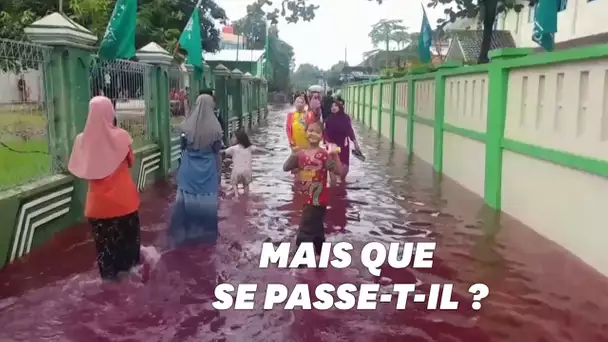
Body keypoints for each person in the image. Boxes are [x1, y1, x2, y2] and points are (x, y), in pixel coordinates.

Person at [68, 96, 140, 281]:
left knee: (105, 258)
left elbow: (80, 167)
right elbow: (131, 161)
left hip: (97, 208)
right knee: (130, 260)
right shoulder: (122, 137)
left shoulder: (81, 141)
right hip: (125, 204)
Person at [169, 94, 223, 247]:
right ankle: (205, 239)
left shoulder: (186, 126)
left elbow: (182, 149)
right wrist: (218, 174)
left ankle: (183, 237)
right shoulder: (216, 129)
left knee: (185, 202)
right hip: (207, 172)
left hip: (188, 171)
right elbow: (217, 153)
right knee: (206, 204)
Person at [283, 120, 342, 256]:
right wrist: (293, 154)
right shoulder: (300, 154)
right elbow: (286, 167)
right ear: (305, 132)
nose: (313, 134)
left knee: (304, 231)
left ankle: (300, 263)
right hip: (306, 198)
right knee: (316, 229)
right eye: (310, 130)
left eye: (317, 132)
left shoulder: (323, 155)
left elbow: (338, 172)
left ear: (321, 136)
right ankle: (320, 255)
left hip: (317, 199)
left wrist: (334, 154)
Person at [324, 100, 361, 185]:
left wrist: (355, 143)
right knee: (332, 166)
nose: (333, 108)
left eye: (335, 106)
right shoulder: (328, 119)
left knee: (344, 166)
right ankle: (333, 184)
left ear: (340, 107)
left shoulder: (346, 118)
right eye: (332, 106)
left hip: (343, 145)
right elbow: (325, 133)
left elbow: (350, 131)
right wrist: (327, 143)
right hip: (332, 145)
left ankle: (341, 183)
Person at [222, 130, 257, 198]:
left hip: (236, 172)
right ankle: (246, 196)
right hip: (247, 172)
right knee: (246, 185)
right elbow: (259, 149)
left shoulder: (233, 148)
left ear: (238, 139)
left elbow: (223, 152)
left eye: (233, 137)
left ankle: (236, 195)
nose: (231, 139)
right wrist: (269, 151)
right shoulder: (249, 147)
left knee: (234, 184)